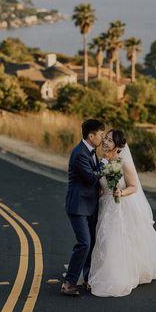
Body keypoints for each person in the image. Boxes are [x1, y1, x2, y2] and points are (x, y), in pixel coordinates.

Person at [88, 128, 156, 297]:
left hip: (121, 205)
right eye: (105, 138)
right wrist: (101, 191)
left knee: (116, 240)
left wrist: (120, 192)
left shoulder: (123, 162)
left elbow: (134, 186)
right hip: (106, 206)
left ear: (117, 146)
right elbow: (99, 182)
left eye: (109, 140)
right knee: (104, 239)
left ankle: (119, 275)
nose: (105, 142)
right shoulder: (100, 159)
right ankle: (105, 270)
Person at [61, 119, 107, 296]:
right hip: (78, 205)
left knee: (92, 243)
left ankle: (88, 279)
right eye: (101, 135)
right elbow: (90, 177)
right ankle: (69, 283)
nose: (102, 138)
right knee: (84, 243)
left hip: (91, 205)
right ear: (91, 135)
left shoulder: (92, 152)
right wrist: (104, 163)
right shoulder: (79, 153)